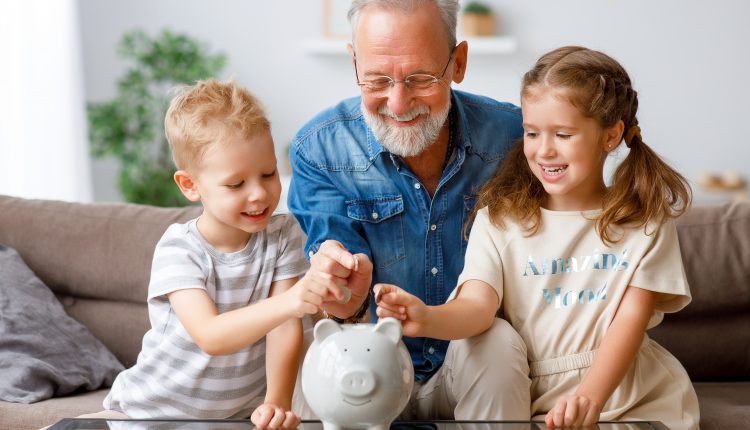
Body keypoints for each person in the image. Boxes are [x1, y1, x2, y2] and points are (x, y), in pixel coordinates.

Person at [377, 46, 700, 429]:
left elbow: (629, 320)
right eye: (532, 133)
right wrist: (427, 317)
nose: (544, 150)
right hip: (528, 397)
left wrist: (587, 399)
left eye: (563, 134)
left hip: (626, 397)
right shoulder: (500, 220)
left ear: (611, 136)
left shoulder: (643, 222)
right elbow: (478, 307)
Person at [288, 0, 530, 421]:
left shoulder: (515, 138)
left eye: (419, 79)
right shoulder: (318, 150)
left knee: (499, 341)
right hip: (371, 358)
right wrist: (348, 295)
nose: (398, 104)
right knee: (319, 363)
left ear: (458, 63)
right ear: (354, 64)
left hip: (469, 356)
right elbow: (341, 305)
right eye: (377, 80)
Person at [87, 79, 343, 428]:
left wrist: (276, 403)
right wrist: (295, 299)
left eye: (268, 174)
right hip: (149, 413)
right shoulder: (180, 248)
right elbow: (210, 335)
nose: (259, 194)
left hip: (228, 419)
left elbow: (284, 326)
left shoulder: (283, 235)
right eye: (236, 184)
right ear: (190, 185)